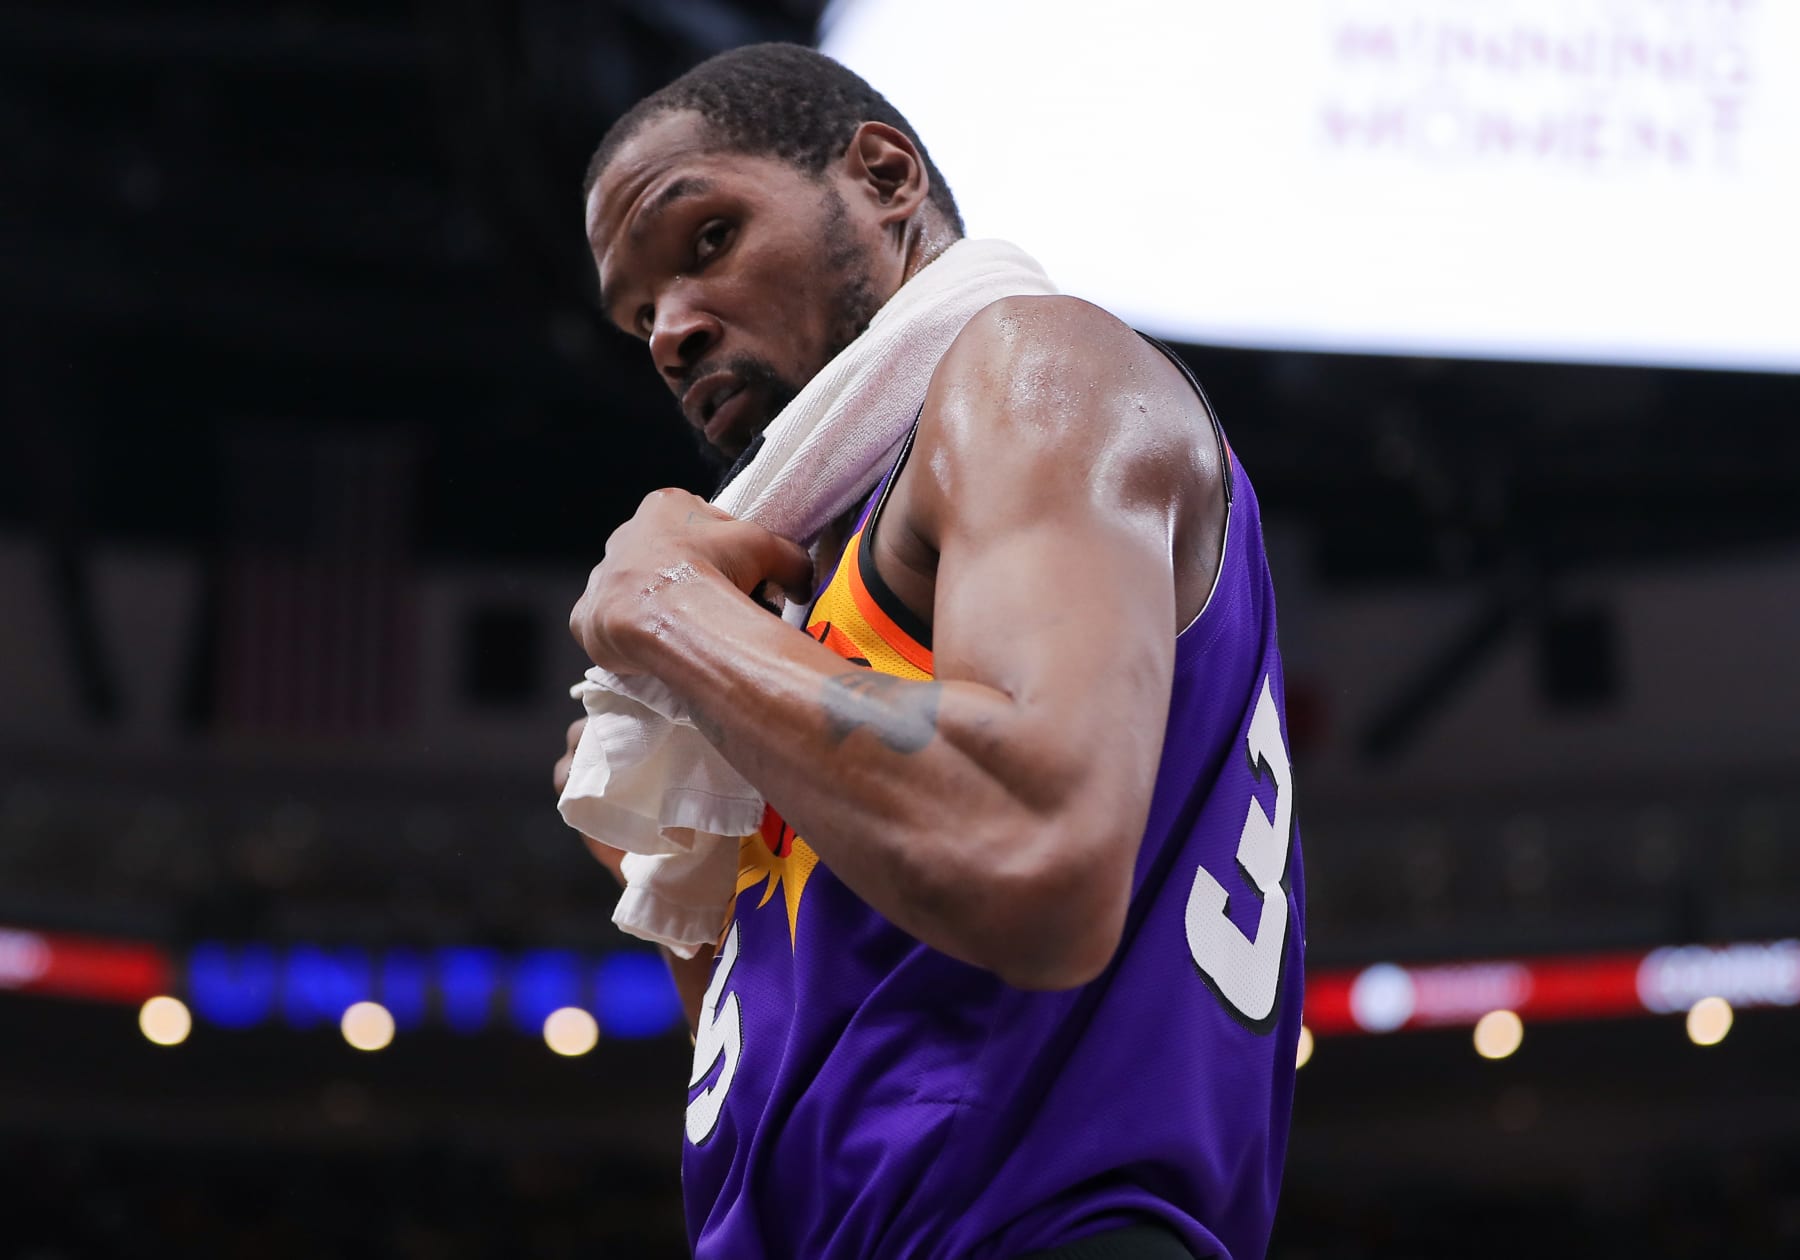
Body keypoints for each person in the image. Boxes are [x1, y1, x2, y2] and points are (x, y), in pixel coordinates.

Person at [559, 42, 1305, 1260]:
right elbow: (811, 1070)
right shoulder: (815, 599)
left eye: (704, 241)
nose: (671, 331)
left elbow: (1036, 849)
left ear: (885, 176)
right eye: (639, 314)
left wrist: (672, 617)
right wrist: (685, 880)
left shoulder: (1037, 371)